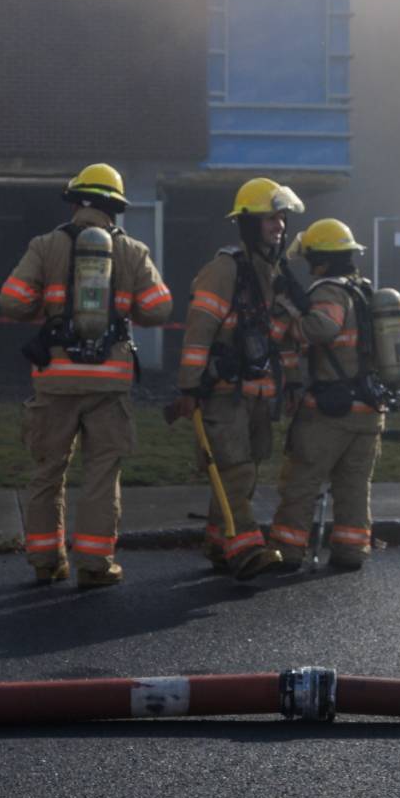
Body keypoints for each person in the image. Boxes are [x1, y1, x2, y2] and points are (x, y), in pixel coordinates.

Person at [0, 163, 172, 587]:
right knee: (101, 473)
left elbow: (12, 301)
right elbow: (160, 308)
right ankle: (95, 565)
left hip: (55, 380)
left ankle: (46, 561)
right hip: (108, 385)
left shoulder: (46, 246)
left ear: (75, 202)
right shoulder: (132, 252)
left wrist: (52, 312)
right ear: (116, 208)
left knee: (47, 472)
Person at [168, 178, 304, 577]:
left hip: (259, 391)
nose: (279, 226)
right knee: (236, 468)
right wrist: (190, 386)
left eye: (282, 218)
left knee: (245, 469)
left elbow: (280, 334)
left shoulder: (275, 273)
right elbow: (199, 332)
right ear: (248, 223)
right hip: (222, 391)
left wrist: (292, 381)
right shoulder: (224, 269)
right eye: (270, 218)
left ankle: (218, 540)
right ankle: (246, 547)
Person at [267, 219, 386, 572]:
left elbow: (323, 328)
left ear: (321, 259)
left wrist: (291, 319)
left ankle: (287, 552)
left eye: (311, 259)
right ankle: (351, 550)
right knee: (353, 486)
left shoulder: (330, 291)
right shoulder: (363, 290)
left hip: (332, 412)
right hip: (369, 409)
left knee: (302, 480)